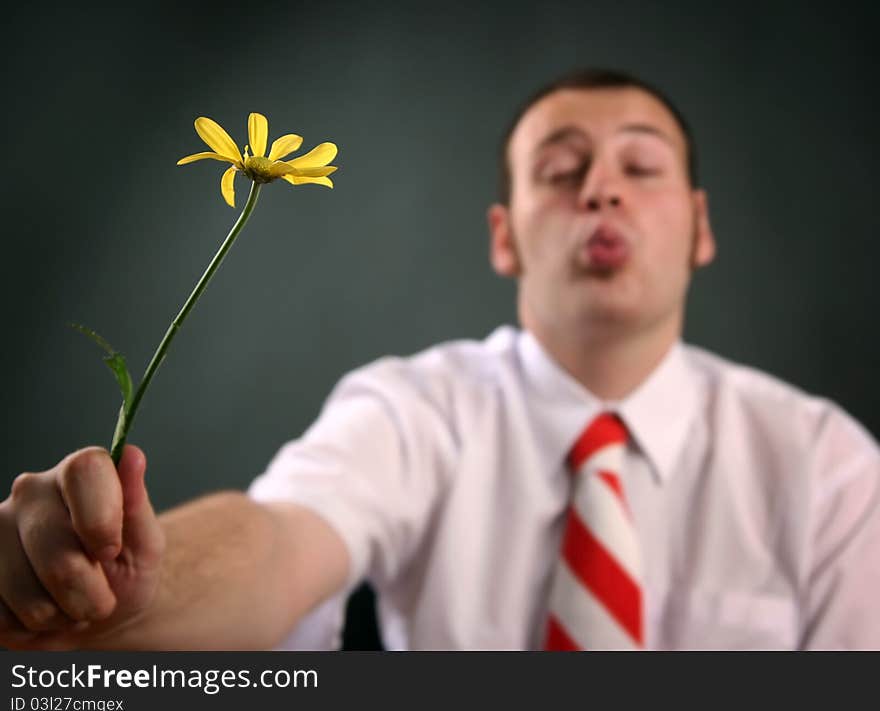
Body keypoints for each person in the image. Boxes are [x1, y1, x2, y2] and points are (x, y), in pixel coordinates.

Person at [2, 69, 878, 651]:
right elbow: (274, 542)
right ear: (504, 238)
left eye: (641, 167)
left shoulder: (829, 464)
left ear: (701, 226)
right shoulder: (414, 410)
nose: (601, 187)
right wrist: (124, 588)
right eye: (560, 168)